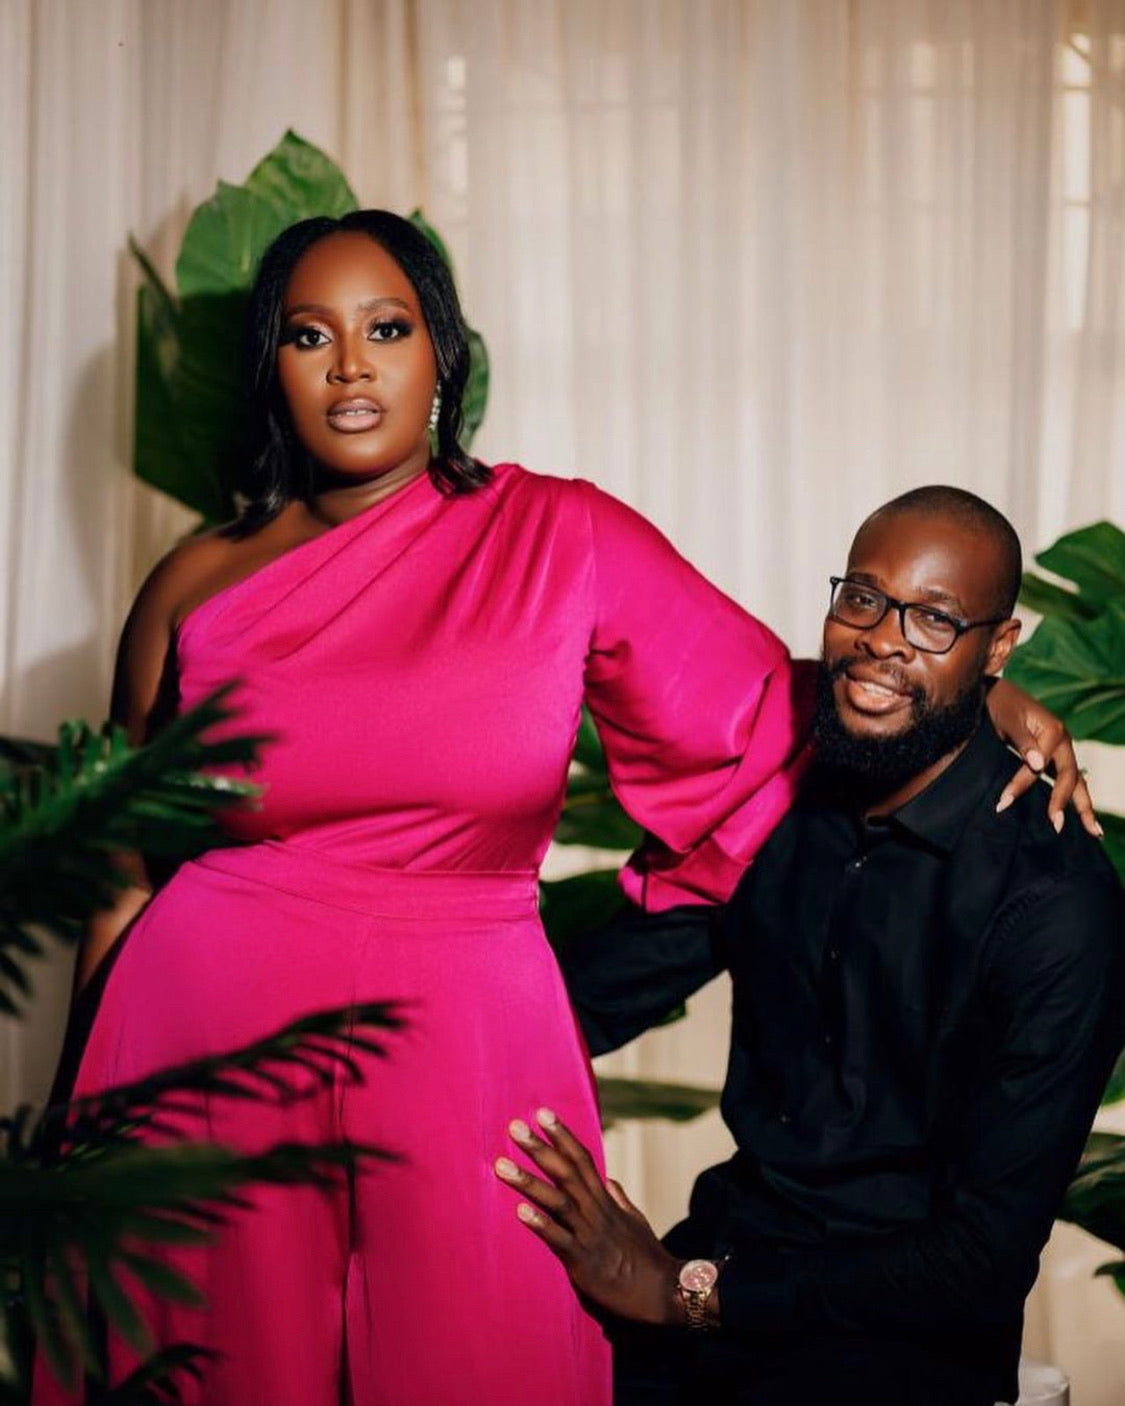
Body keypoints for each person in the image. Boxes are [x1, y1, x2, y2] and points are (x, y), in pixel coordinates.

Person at [38, 209, 1084, 1406]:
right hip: (205, 1025)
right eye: (306, 334)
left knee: (482, 1355)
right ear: (268, 365)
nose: (348, 365)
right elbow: (115, 872)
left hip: (462, 1030)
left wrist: (992, 696)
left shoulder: (556, 535)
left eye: (387, 327)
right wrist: (74, 1130)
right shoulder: (191, 580)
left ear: (443, 353)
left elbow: (757, 693)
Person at [495, 488, 1125, 1406]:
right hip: (726, 1255)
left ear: (997, 649)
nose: (881, 638)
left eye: (934, 618)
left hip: (895, 1339)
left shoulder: (1055, 904)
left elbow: (977, 1263)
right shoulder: (779, 803)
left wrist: (684, 1297)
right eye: (862, 599)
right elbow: (597, 994)